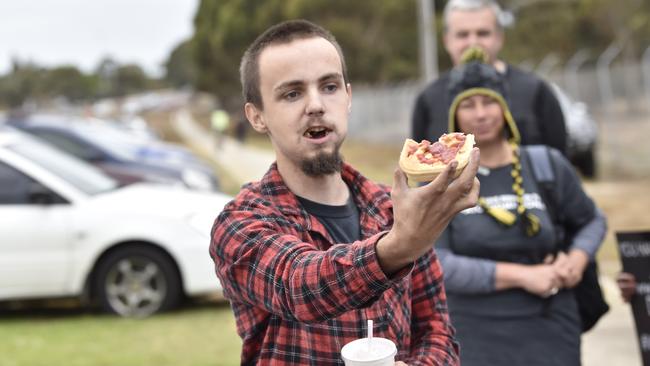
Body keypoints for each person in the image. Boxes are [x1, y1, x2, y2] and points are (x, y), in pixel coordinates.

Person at [209, 19, 480, 365]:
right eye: (292, 93)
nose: (316, 105)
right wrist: (397, 248)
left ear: (348, 97)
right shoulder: (239, 223)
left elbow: (435, 329)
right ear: (257, 116)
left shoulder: (393, 208)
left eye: (329, 87)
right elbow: (299, 288)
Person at [434, 48, 607, 365]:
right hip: (473, 334)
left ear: (505, 108)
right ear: (454, 115)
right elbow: (439, 263)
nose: (481, 114)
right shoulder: (441, 180)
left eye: (489, 102)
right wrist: (524, 276)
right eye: (468, 105)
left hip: (551, 326)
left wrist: (578, 259)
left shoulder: (545, 164)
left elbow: (592, 220)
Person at [411, 0, 567, 156]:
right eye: (462, 34)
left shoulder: (535, 90)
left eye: (483, 33)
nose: (473, 43)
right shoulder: (428, 99)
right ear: (447, 40)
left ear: (500, 37)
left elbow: (559, 162)